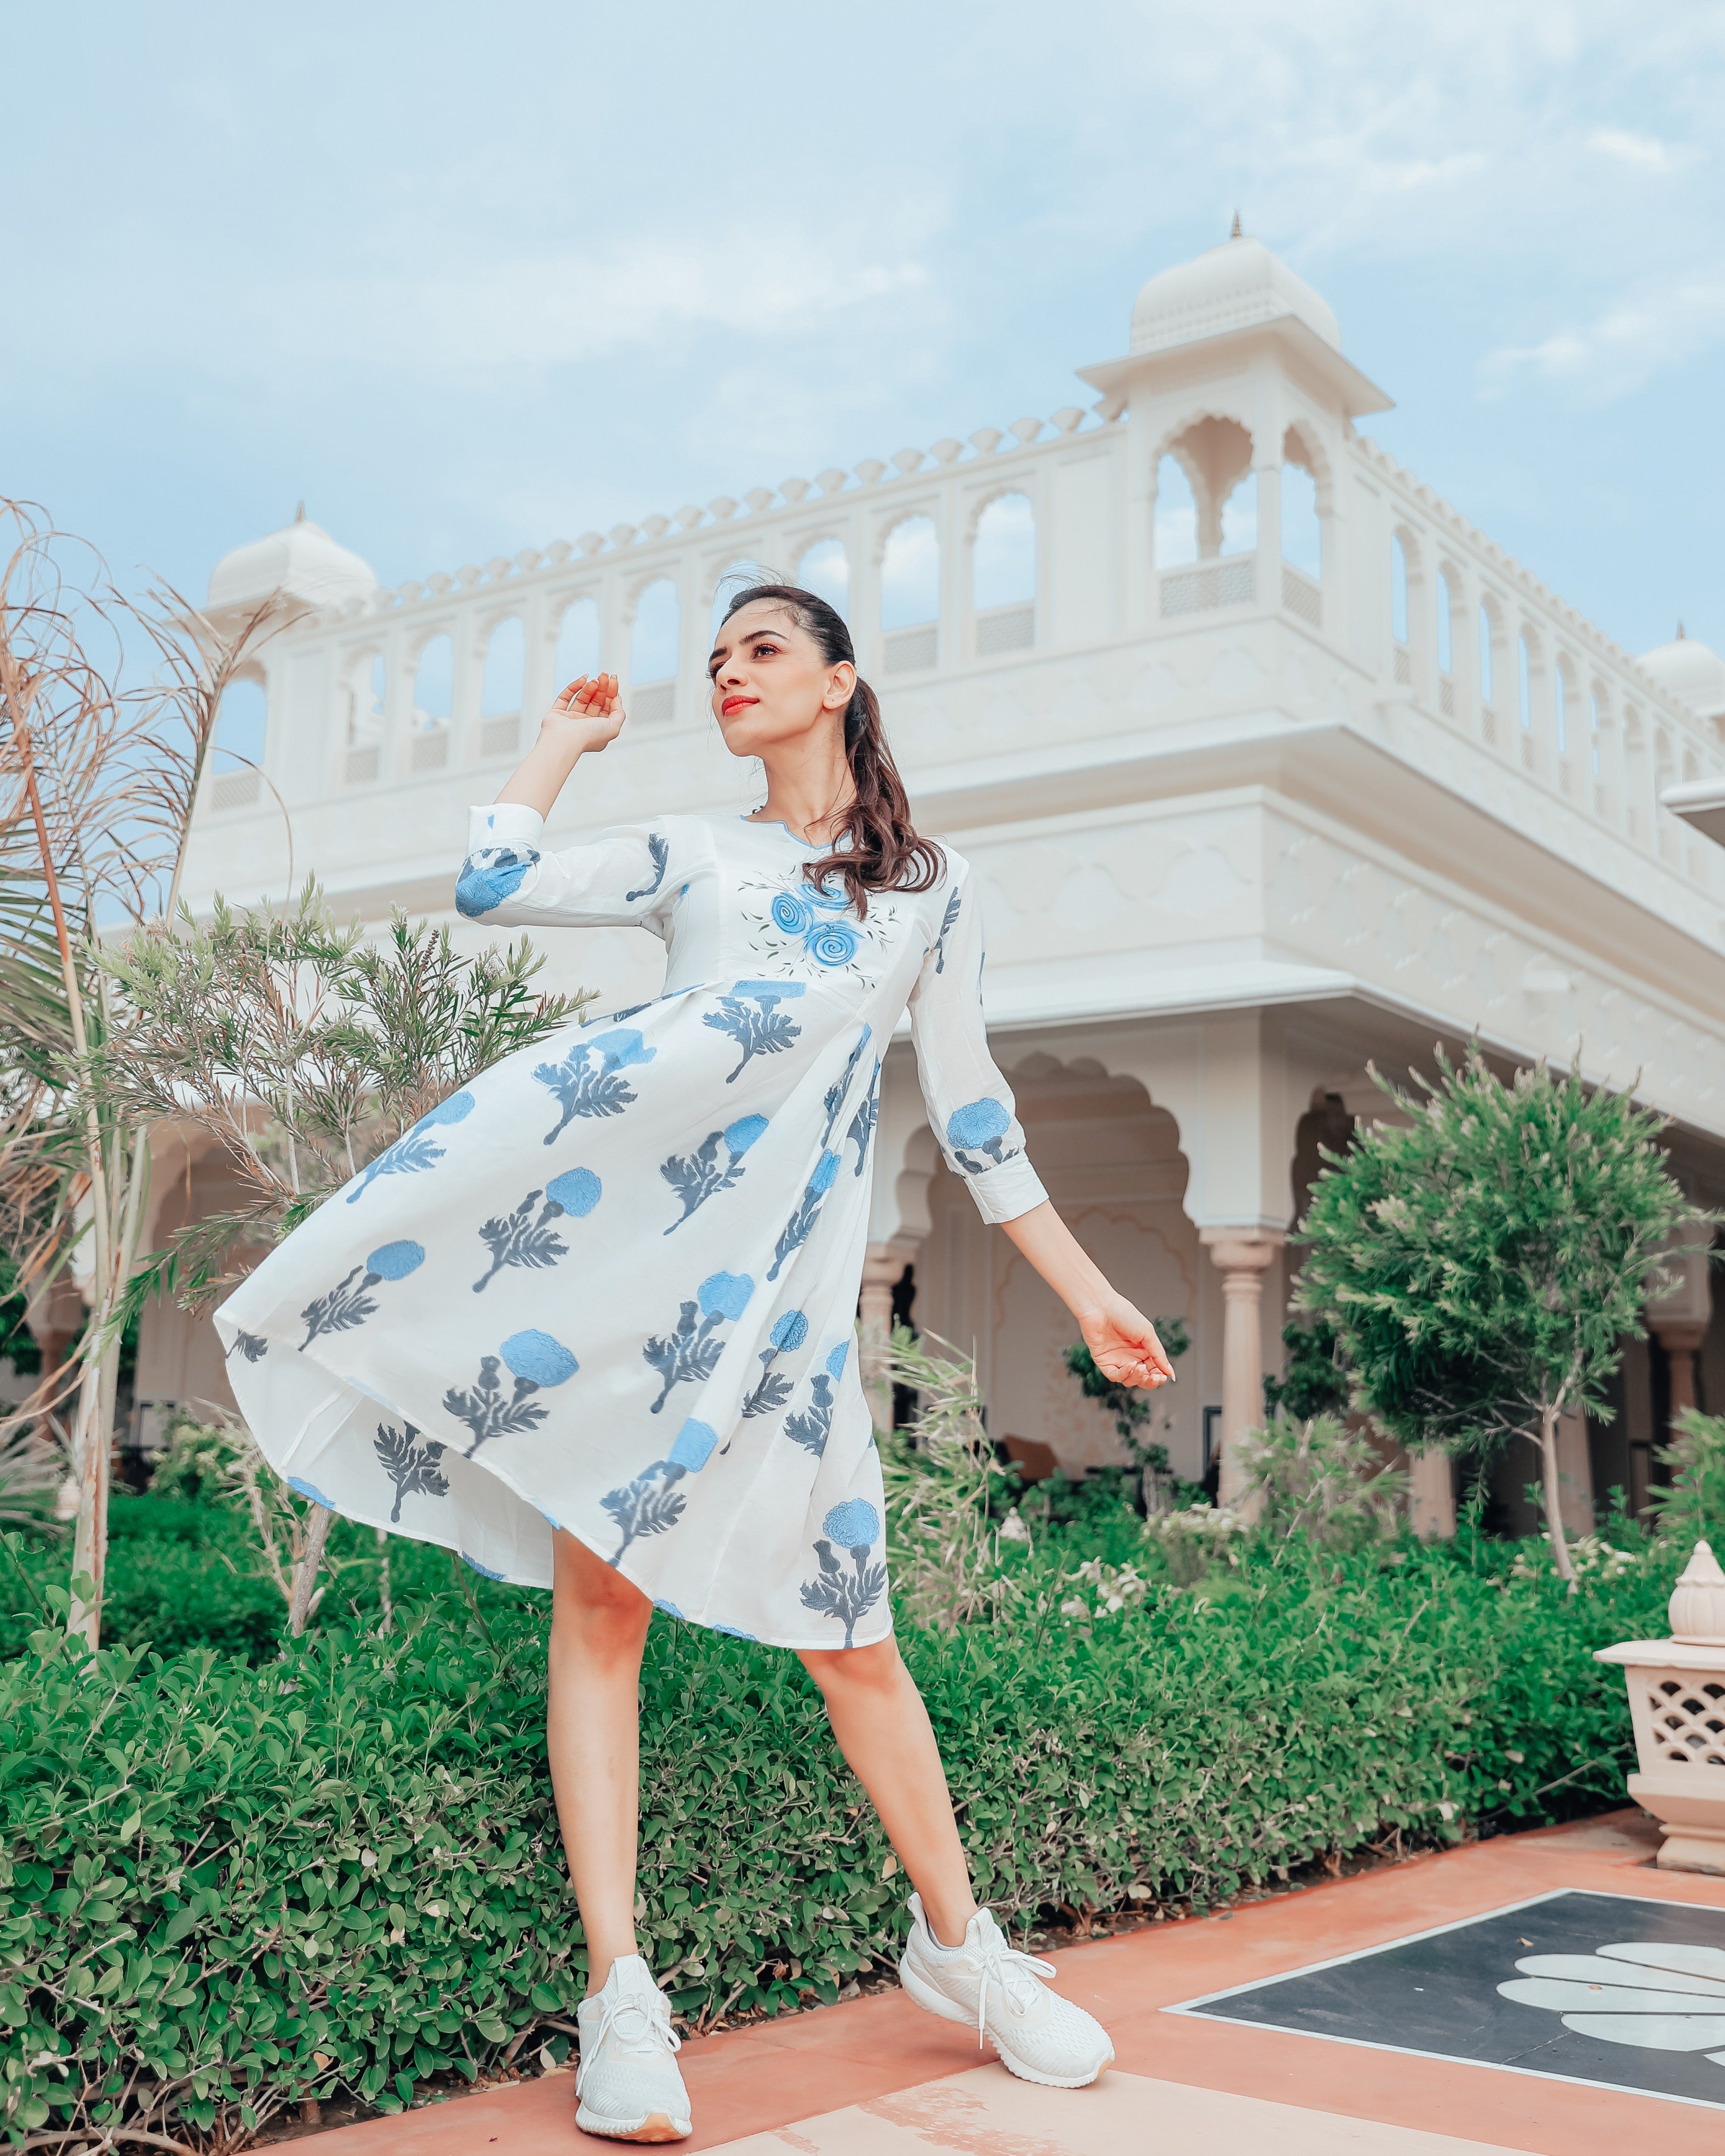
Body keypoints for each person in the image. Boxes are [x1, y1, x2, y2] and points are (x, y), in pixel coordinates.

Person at [216, 583, 1173, 2143]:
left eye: (762, 652)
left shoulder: (929, 886)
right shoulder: (696, 854)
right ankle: (621, 1995)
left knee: (854, 1631)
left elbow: (976, 1108)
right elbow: (489, 883)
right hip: (634, 1290)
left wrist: (1083, 1292)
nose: (728, 676)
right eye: (717, 660)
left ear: (840, 681)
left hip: (785, 1312)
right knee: (606, 1606)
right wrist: (555, 747)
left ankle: (964, 1953)